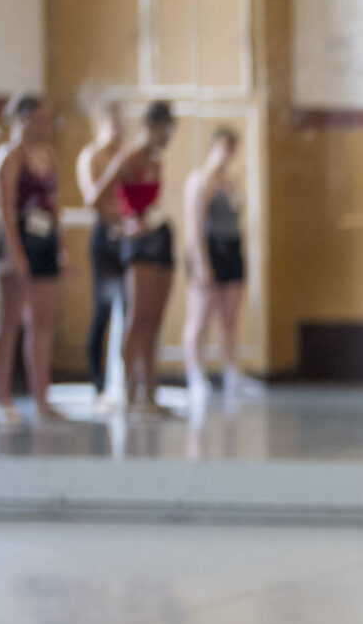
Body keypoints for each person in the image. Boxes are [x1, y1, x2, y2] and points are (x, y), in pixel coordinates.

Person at [95, 101, 178, 418]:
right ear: (153, 127)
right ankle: (127, 392)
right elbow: (97, 197)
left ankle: (151, 394)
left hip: (159, 238)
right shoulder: (128, 158)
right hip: (139, 244)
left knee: (154, 321)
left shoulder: (157, 159)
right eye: (166, 130)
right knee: (138, 319)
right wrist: (125, 222)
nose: (168, 137)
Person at [0, 92, 65, 425]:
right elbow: (6, 210)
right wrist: (16, 253)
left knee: (42, 324)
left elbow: (54, 206)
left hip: (45, 241)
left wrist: (61, 248)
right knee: (10, 324)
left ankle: (41, 396)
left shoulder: (48, 155)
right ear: (22, 119)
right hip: (19, 241)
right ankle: (2, 395)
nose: (43, 126)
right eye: (37, 119)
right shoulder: (9, 157)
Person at [182, 126, 253, 402]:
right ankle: (194, 373)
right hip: (209, 251)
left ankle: (231, 371)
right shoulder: (200, 181)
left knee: (229, 318)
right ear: (214, 146)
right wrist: (201, 264)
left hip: (231, 250)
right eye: (226, 147)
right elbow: (193, 227)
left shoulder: (231, 181)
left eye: (233, 148)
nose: (229, 154)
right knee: (200, 316)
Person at [77, 97, 127, 407]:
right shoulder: (91, 156)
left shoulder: (125, 156)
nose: (121, 129)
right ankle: (97, 383)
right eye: (116, 122)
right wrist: (114, 169)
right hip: (105, 240)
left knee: (132, 311)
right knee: (103, 311)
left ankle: (125, 380)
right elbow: (93, 199)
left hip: (127, 238)